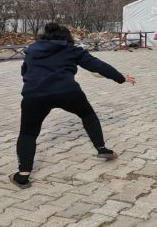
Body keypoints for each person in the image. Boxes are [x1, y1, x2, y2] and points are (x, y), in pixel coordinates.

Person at [11, 23, 136, 188]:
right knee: (87, 115)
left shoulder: (32, 50)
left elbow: (24, 72)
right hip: (68, 92)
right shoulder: (72, 50)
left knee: (28, 133)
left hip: (35, 95)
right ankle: (102, 149)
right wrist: (121, 78)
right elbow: (97, 65)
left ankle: (23, 175)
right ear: (67, 37)